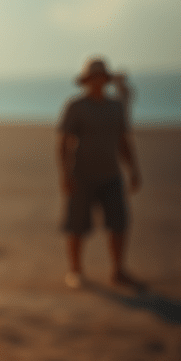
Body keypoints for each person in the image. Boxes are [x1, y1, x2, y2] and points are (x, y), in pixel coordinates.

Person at [58, 58, 143, 291]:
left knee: (119, 224)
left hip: (111, 175)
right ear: (86, 81)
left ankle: (118, 270)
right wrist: (65, 174)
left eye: (101, 77)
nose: (97, 81)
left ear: (106, 80)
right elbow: (64, 142)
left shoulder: (116, 107)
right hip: (82, 175)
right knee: (76, 225)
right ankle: (75, 271)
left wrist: (133, 170)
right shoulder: (76, 106)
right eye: (92, 77)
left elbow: (123, 140)